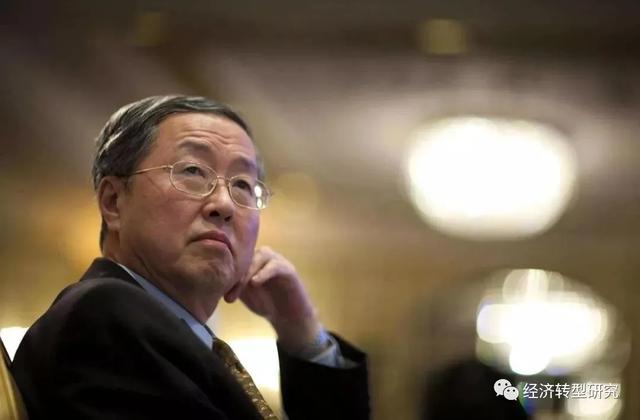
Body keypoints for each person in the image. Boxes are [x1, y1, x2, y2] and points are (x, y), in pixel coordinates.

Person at [11, 95, 370, 419]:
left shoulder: (160, 331)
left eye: (243, 184)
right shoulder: (105, 317)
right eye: (193, 171)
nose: (224, 204)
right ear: (114, 202)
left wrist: (303, 334)